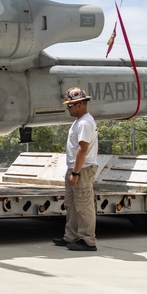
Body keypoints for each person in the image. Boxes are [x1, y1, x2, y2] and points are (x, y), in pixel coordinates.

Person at [55, 87, 99, 252]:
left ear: (80, 104)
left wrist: (76, 172)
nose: (68, 108)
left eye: (70, 105)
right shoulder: (79, 121)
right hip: (75, 169)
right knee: (72, 205)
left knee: (83, 205)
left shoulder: (85, 123)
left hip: (82, 170)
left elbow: (83, 149)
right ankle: (71, 237)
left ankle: (88, 240)